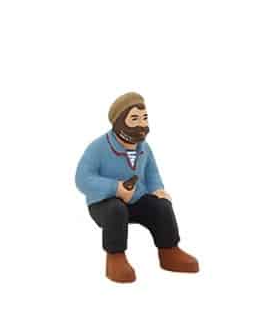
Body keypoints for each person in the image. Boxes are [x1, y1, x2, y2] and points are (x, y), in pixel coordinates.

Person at [75, 92, 199, 283]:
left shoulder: (144, 148)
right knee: (116, 210)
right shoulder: (98, 148)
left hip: (136, 199)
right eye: (134, 119)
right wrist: (115, 188)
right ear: (119, 121)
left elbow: (151, 173)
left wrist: (157, 189)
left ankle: (169, 250)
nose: (142, 124)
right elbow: (82, 178)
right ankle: (115, 257)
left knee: (162, 206)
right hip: (104, 203)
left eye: (144, 118)